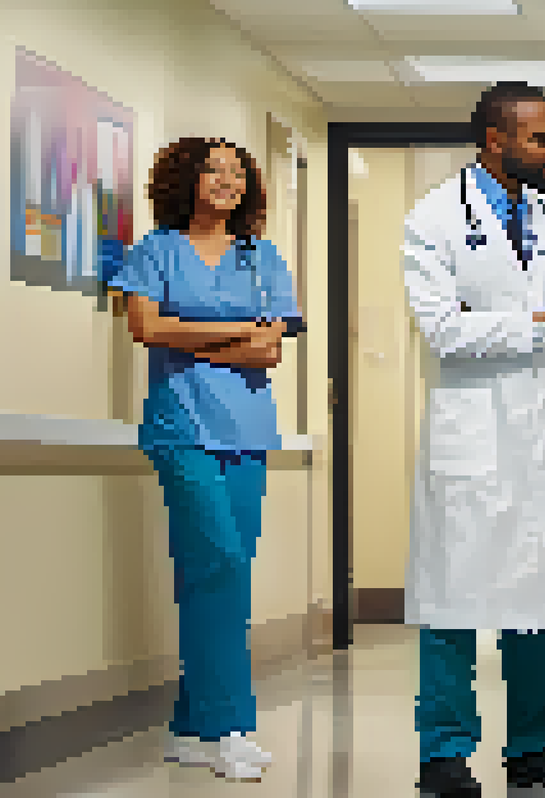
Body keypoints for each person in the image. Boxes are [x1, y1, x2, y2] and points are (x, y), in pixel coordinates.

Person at [401, 81, 545, 797]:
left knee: (543, 594)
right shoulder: (432, 219)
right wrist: (543, 323)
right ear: (496, 140)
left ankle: (533, 749)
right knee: (453, 596)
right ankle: (444, 756)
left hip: (540, 425)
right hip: (470, 425)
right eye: (542, 138)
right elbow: (444, 334)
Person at [104, 137, 303, 781]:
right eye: (213, 169)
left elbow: (269, 352)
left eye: (237, 172)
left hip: (247, 431)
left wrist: (188, 334)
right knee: (216, 561)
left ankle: (189, 728)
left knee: (222, 571)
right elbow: (145, 328)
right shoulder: (154, 251)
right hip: (181, 428)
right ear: (185, 178)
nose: (226, 181)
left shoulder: (262, 257)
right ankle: (229, 725)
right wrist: (238, 331)